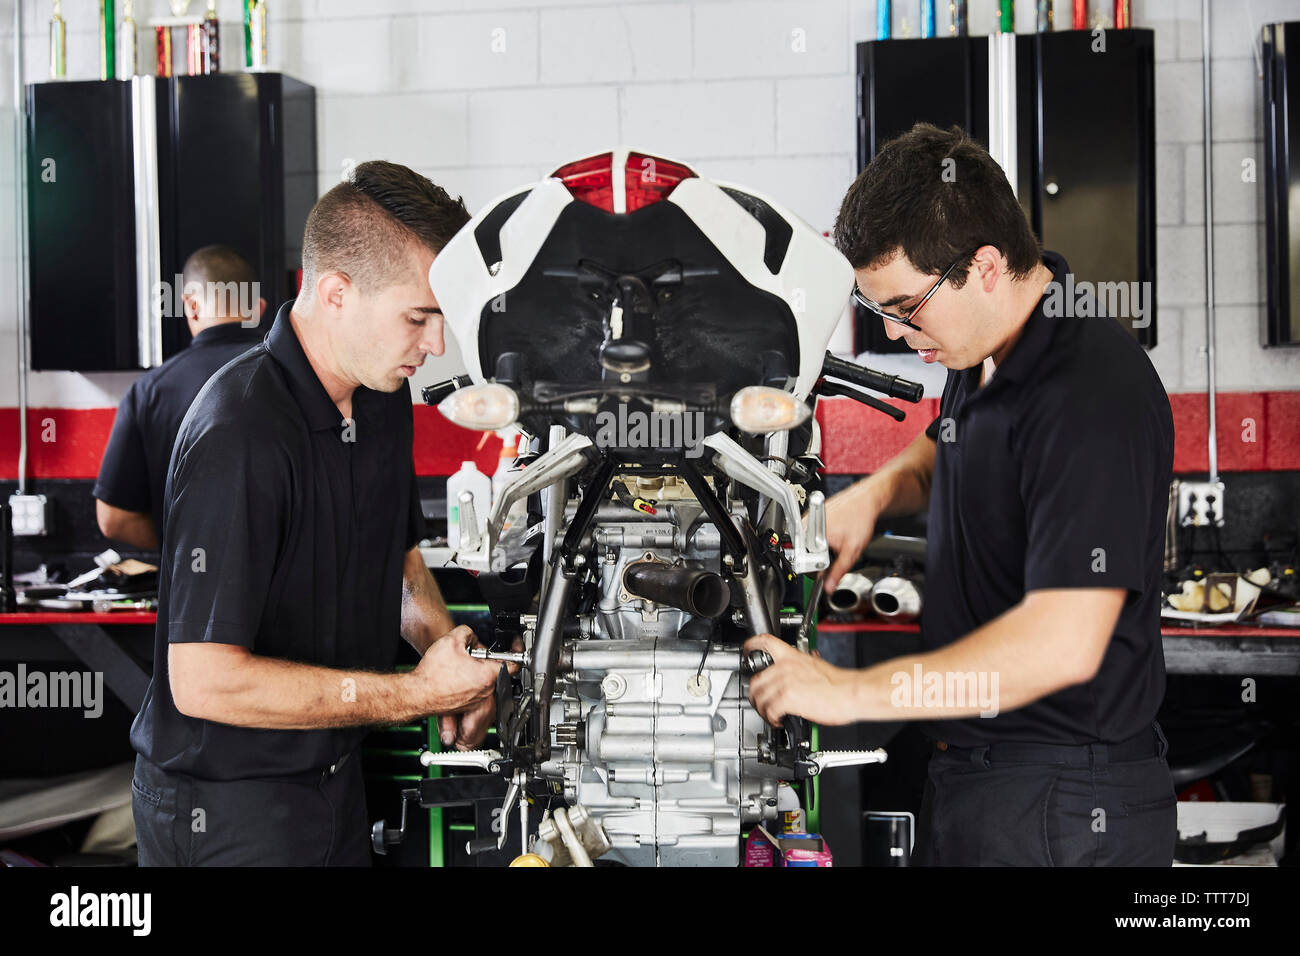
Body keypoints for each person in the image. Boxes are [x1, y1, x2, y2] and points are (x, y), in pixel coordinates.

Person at [744, 124, 1176, 866]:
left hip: (1064, 803)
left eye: (907, 306)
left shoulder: (1087, 390)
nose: (898, 332)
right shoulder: (988, 348)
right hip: (988, 779)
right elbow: (950, 447)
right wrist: (875, 496)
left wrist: (850, 694)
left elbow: (1062, 643)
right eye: (880, 309)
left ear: (982, 266)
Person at [130, 161, 503, 866]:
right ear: (336, 293)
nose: (433, 347)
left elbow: (397, 560)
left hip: (333, 785)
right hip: (227, 807)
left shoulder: (383, 399)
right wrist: (411, 695)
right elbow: (205, 679)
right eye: (419, 317)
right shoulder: (239, 431)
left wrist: (445, 655)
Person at [94, 245, 266, 549]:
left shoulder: (150, 391)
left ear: (192, 305)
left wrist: (185, 547)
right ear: (258, 307)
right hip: (291, 593)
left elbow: (114, 519)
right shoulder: (298, 377)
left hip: (188, 591)